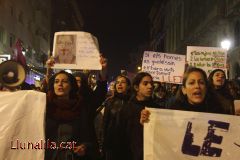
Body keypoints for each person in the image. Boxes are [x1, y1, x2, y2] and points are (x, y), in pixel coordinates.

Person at [140, 67, 233, 126]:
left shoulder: (219, 111)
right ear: (184, 89)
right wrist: (149, 121)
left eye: (201, 82)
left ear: (206, 88)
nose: (197, 86)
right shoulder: (172, 112)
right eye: (192, 83)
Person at [45, 71, 98, 160]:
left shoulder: (80, 108)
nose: (60, 84)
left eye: (64, 81)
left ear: (71, 86)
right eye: (56, 81)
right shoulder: (45, 105)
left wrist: (84, 147)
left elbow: (87, 137)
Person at [124, 72, 164, 160]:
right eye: (145, 83)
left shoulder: (157, 108)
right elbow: (123, 135)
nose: (150, 86)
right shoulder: (127, 108)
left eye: (151, 84)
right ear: (136, 87)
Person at [103, 75, 131, 160]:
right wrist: (103, 142)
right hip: (112, 142)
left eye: (123, 82)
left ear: (129, 86)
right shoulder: (109, 101)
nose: (119, 84)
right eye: (117, 82)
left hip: (127, 143)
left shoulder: (132, 102)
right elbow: (105, 123)